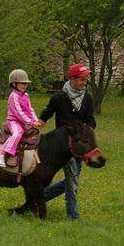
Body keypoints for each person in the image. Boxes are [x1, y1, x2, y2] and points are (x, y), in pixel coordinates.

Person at [38, 63, 97, 220]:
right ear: (71, 79)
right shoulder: (59, 97)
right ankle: (73, 217)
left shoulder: (87, 98)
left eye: (85, 80)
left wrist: (85, 135)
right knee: (72, 181)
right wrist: (32, 128)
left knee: (72, 180)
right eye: (81, 80)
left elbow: (91, 122)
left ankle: (37, 198)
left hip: (79, 147)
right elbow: (45, 115)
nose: (84, 83)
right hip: (61, 147)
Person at [0, 69, 43, 168]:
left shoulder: (26, 95)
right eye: (22, 83)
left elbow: (30, 109)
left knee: (34, 134)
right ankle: (1, 154)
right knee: (17, 133)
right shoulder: (13, 96)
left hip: (24, 121)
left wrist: (35, 120)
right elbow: (18, 113)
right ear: (14, 84)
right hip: (13, 121)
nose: (25, 86)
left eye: (26, 83)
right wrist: (30, 122)